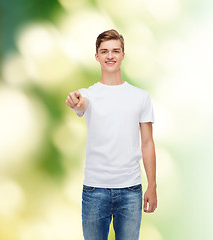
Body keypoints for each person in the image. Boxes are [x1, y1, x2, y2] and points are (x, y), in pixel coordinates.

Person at [65, 29, 157, 240]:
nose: (110, 56)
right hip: (94, 190)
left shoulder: (140, 97)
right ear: (97, 56)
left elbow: (147, 143)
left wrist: (152, 185)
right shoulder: (88, 94)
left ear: (123, 55)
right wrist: (75, 101)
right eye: (104, 51)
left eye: (115, 51)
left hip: (131, 191)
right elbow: (80, 105)